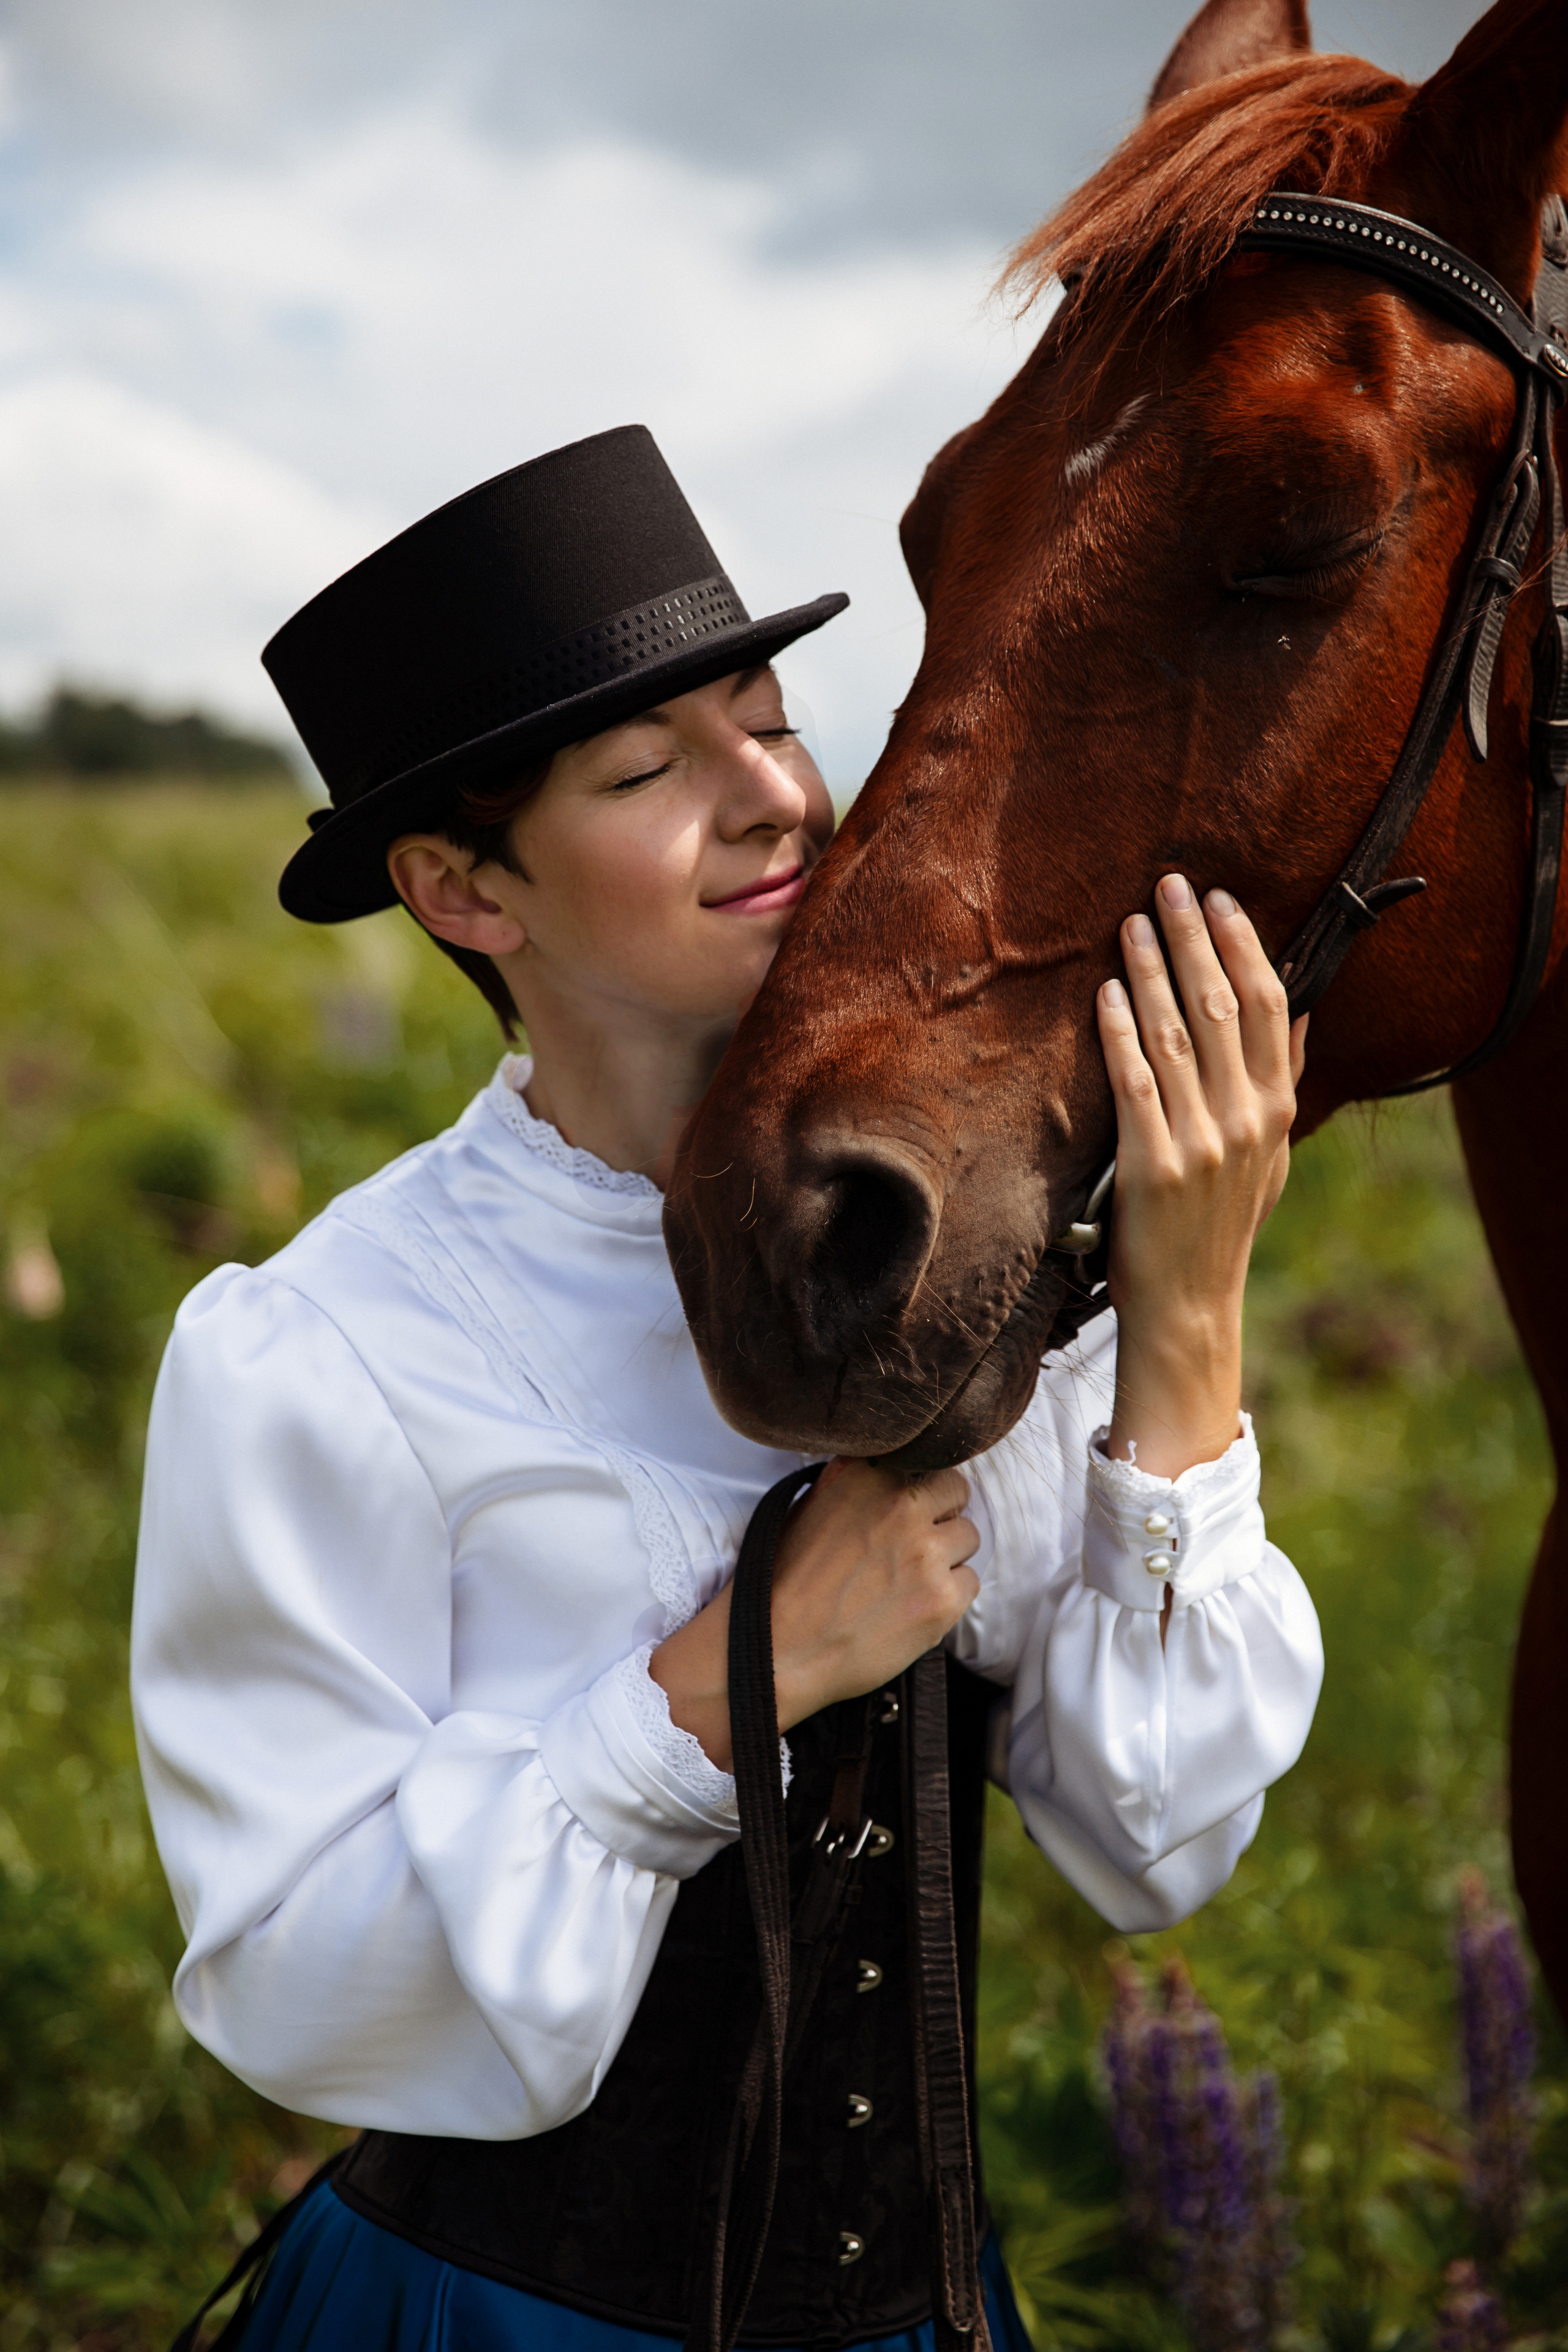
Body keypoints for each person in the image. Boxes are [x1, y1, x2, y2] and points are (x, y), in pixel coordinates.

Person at [132, 425, 1323, 2352]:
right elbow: (293, 1982)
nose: (774, 797)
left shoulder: (959, 1242)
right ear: (463, 893)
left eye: (768, 719)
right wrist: (729, 1677)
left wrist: (1185, 1323)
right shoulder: (336, 1344)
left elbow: (1159, 1847)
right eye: (648, 769)